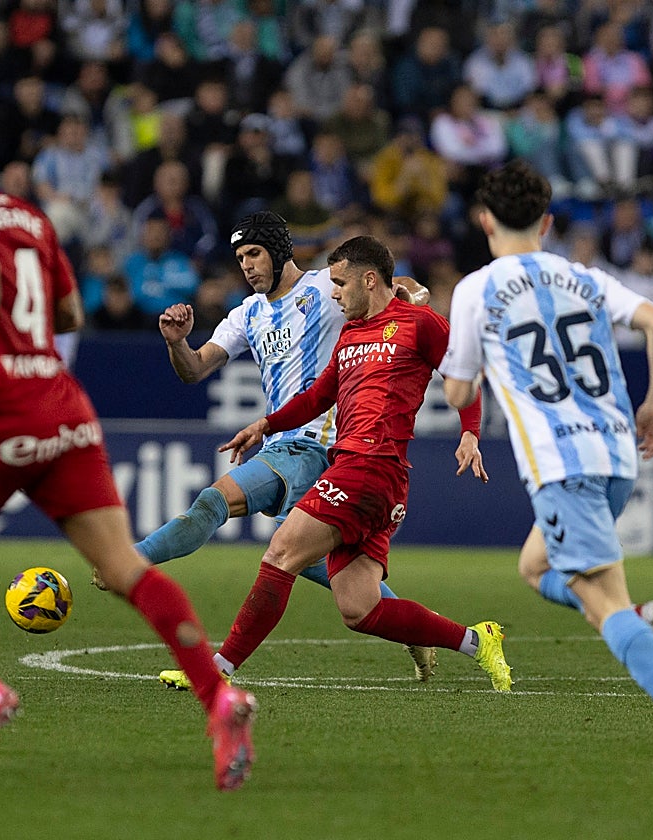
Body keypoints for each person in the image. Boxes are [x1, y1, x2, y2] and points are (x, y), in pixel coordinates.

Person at [0, 98, 257, 787]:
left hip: (4, 408)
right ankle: (220, 700)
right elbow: (66, 311)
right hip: (65, 405)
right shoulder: (31, 217)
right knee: (124, 568)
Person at [438, 160, 653, 770]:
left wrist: (470, 362)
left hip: (560, 463)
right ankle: (642, 625)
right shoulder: (584, 277)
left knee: (602, 603)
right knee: (534, 564)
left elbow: (460, 395)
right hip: (619, 453)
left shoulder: (477, 289)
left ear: (484, 219)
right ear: (546, 222)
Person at [115, 211, 444, 686]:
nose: (246, 266)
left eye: (254, 253)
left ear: (278, 250)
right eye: (240, 257)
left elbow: (398, 286)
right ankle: (412, 626)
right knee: (313, 563)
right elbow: (195, 368)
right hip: (285, 444)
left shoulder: (326, 288)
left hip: (321, 446)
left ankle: (133, 560)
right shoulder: (246, 313)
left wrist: (411, 298)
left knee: (215, 500)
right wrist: (177, 344)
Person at [187, 234, 511, 692]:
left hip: (370, 466)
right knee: (359, 609)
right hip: (370, 476)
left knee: (282, 552)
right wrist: (266, 424)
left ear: (369, 279)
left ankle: (217, 669)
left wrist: (471, 432)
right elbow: (319, 398)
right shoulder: (350, 334)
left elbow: (463, 373)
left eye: (340, 283)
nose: (333, 292)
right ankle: (478, 641)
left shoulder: (420, 324)